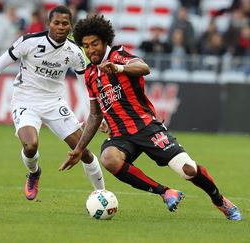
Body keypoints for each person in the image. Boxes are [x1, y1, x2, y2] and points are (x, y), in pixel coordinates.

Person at [62, 15, 242, 220]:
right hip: (121, 135)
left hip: (147, 128)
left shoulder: (117, 55)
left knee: (188, 170)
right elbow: (95, 114)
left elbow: (144, 67)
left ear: (105, 41)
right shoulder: (90, 74)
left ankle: (220, 201)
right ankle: (165, 192)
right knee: (109, 159)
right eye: (85, 46)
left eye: (95, 43)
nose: (91, 49)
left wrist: (119, 68)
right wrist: (78, 149)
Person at [0, 6, 105, 201]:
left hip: (54, 103)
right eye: (56, 23)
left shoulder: (75, 52)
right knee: (30, 145)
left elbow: (84, 87)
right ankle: (34, 172)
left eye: (65, 23)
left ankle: (102, 193)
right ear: (49, 23)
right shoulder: (29, 42)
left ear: (71, 26)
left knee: (83, 152)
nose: (61, 27)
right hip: (25, 100)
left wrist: (94, 116)